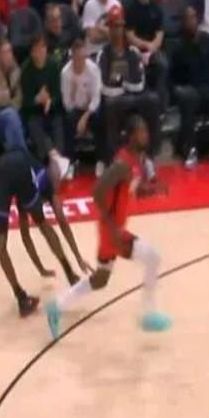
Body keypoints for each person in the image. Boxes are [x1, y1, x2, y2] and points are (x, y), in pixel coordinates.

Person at [46, 115, 172, 339]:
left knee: (101, 279)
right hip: (112, 230)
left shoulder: (136, 161)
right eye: (141, 131)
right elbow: (97, 192)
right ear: (131, 136)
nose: (146, 135)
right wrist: (113, 228)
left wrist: (154, 190)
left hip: (112, 229)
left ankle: (57, 305)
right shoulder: (122, 164)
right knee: (153, 258)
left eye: (146, 130)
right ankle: (148, 314)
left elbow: (134, 190)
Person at [0, 148, 87, 317]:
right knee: (43, 225)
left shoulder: (39, 173)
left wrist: (41, 268)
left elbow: (25, 235)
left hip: (1, 171)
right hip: (19, 169)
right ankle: (69, 273)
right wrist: (77, 258)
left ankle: (21, 297)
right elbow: (62, 222)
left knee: (0, 243)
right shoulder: (44, 181)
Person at [97, 5, 161, 180]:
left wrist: (120, 82)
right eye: (113, 26)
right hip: (113, 101)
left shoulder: (133, 52)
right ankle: (114, 159)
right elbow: (103, 86)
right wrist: (124, 83)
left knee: (152, 100)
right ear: (109, 28)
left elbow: (139, 83)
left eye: (119, 26)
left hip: (132, 99)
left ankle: (149, 158)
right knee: (111, 104)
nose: (117, 30)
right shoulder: (103, 54)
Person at [170, 5, 209, 168]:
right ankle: (190, 150)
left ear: (197, 20)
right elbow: (172, 78)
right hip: (191, 91)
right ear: (183, 23)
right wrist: (178, 91)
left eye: (192, 18)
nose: (190, 21)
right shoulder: (179, 48)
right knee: (188, 100)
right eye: (187, 19)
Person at [21, 34, 68, 164]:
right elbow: (26, 101)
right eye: (37, 48)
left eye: (43, 47)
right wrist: (37, 99)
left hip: (52, 108)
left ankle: (59, 158)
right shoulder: (26, 70)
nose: (41, 51)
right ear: (31, 52)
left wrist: (49, 101)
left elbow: (58, 94)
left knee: (57, 122)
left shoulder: (53, 65)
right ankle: (51, 155)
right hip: (33, 111)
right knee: (34, 124)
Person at [61, 38, 102, 179]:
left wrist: (86, 116)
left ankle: (101, 160)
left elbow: (96, 97)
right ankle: (70, 162)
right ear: (72, 57)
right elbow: (67, 104)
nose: (80, 61)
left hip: (91, 108)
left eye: (82, 57)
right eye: (77, 58)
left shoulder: (93, 69)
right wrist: (73, 91)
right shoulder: (66, 73)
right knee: (68, 121)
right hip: (75, 108)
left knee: (99, 119)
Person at [126, 0, 168, 106]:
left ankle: (160, 105)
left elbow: (160, 34)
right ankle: (140, 103)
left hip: (153, 48)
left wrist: (152, 46)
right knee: (135, 65)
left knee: (163, 64)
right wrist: (144, 45)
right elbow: (129, 36)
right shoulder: (131, 8)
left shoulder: (156, 8)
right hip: (135, 49)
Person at [45, 3, 75, 67]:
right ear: (46, 23)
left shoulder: (67, 35)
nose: (58, 23)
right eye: (54, 20)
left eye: (59, 18)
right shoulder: (43, 42)